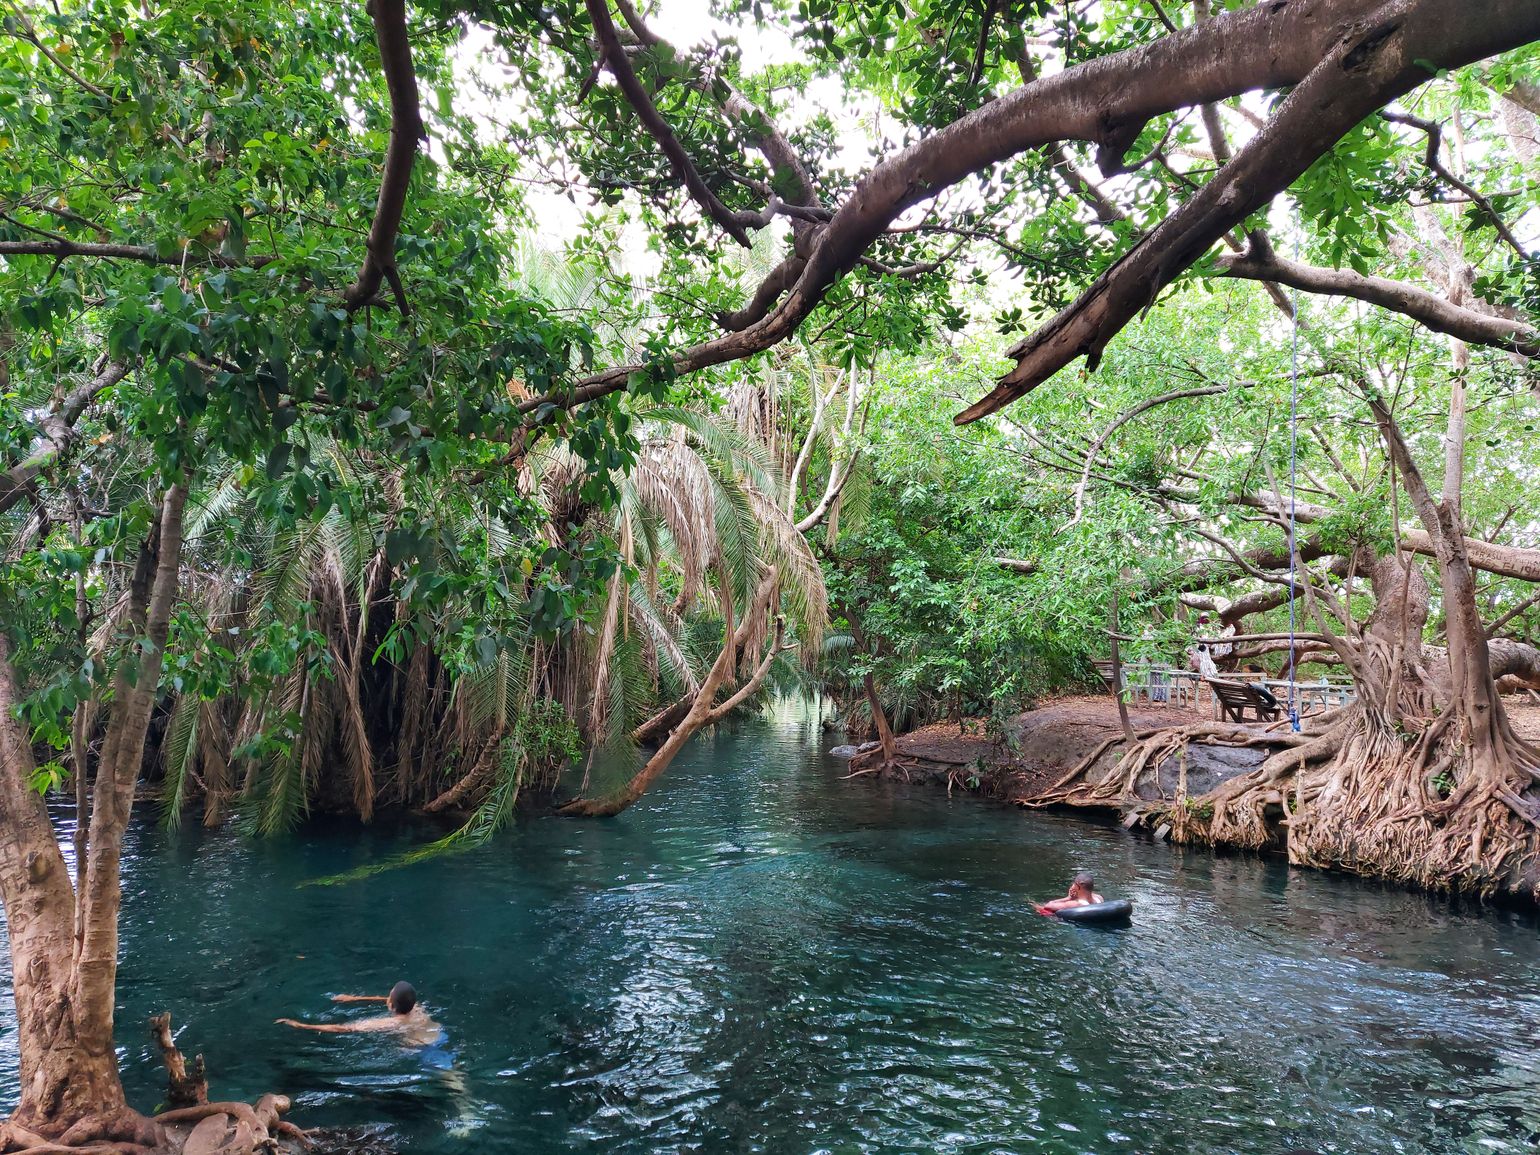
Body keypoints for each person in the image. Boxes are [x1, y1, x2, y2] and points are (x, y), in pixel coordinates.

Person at [277, 981, 445, 1052]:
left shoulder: (392, 1023)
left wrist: (302, 1025)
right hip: (440, 1037)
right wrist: (354, 999)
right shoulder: (416, 1007)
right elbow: (388, 1000)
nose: (386, 997)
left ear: (392, 1005)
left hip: (425, 1051)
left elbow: (344, 1028)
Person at [1035, 871, 1103, 914]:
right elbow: (1087, 892)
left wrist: (1068, 898)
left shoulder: (1074, 904)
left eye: (1074, 884)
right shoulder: (1099, 898)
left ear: (1078, 886)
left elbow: (1048, 905)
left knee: (1038, 906)